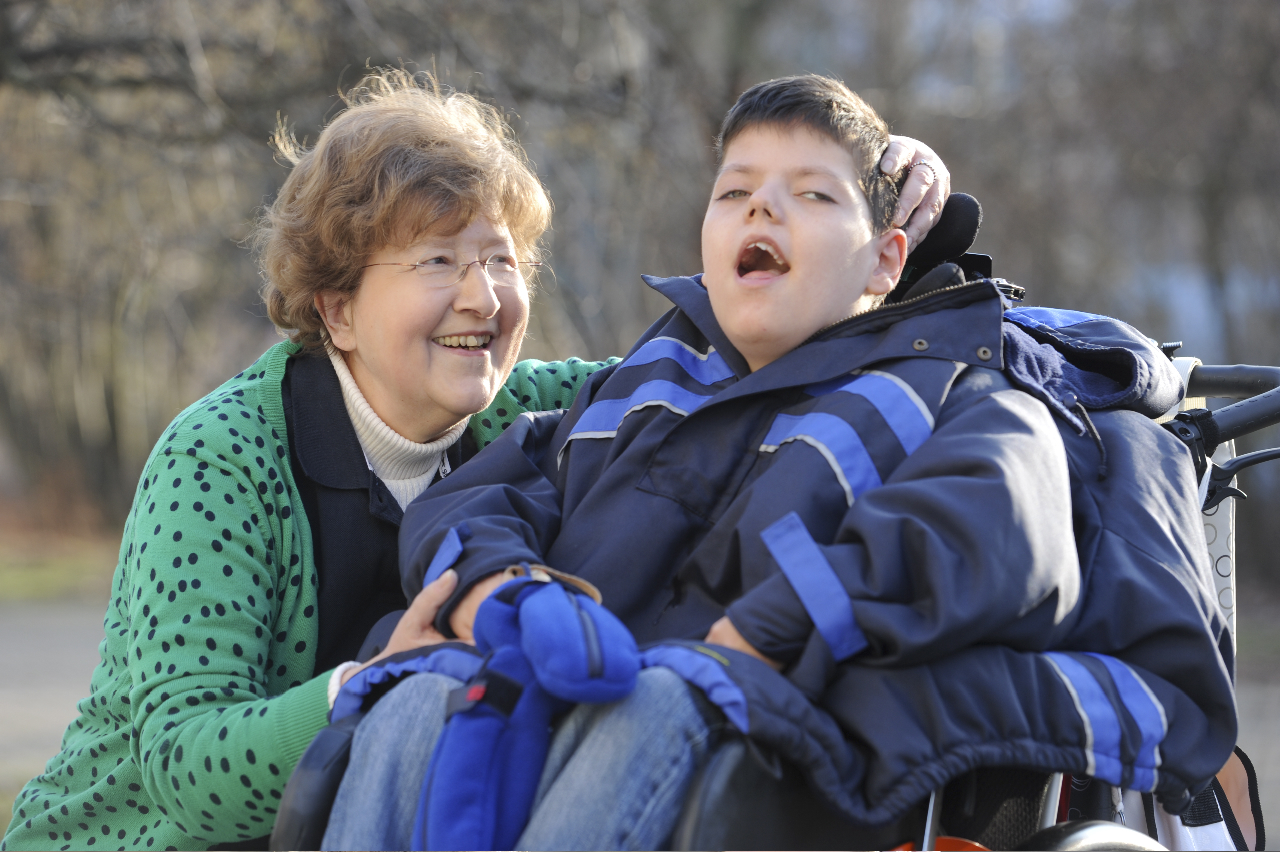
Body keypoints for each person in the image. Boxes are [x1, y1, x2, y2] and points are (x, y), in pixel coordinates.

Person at [1, 70, 952, 852]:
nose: (483, 299)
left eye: (500, 261)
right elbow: (185, 768)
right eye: (437, 264)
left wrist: (883, 201)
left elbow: (751, 352)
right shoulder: (221, 460)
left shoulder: (539, 410)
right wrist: (363, 685)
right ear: (336, 310)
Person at [321, 75, 1234, 850]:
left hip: (758, 728)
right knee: (414, 701)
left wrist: (774, 626)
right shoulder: (649, 382)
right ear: (709, 246)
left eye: (812, 195)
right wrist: (505, 587)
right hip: (581, 688)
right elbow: (489, 490)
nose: (761, 206)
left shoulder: (947, 388)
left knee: (664, 703)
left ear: (886, 259)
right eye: (735, 193)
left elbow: (989, 527)